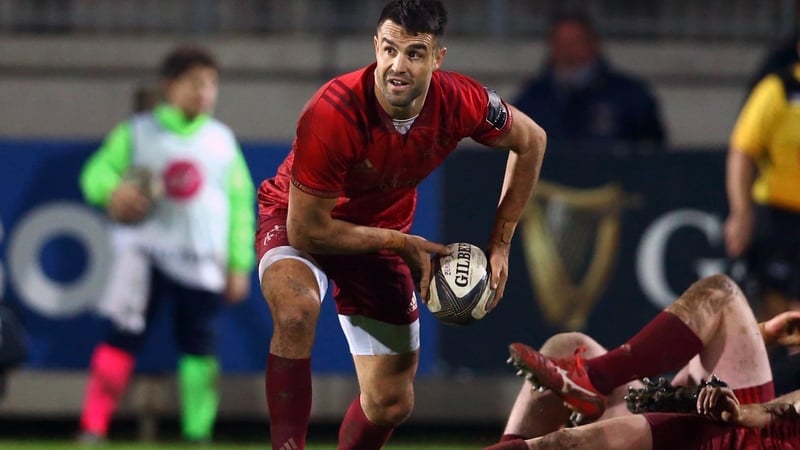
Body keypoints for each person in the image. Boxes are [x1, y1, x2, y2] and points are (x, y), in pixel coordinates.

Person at [255, 1, 547, 448]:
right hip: (301, 219)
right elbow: (307, 232)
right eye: (389, 49)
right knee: (295, 314)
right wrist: (401, 242)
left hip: (379, 237)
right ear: (376, 46)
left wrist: (501, 243)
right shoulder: (333, 111)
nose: (397, 65)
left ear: (437, 58)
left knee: (391, 402)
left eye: (414, 53)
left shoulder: (459, 100)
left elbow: (531, 141)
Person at [77, 45, 256, 444]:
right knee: (121, 340)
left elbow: (241, 206)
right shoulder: (138, 132)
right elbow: (94, 174)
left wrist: (239, 264)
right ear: (170, 86)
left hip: (202, 262)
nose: (205, 92)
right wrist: (112, 192)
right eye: (195, 82)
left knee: (200, 348)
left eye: (211, 84)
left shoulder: (222, 141)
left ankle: (198, 433)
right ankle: (92, 427)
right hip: (144, 257)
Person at [485, 273, 800, 450]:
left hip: (747, 435)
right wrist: (763, 335)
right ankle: (591, 378)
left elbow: (775, 413)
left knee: (721, 295)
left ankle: (592, 379)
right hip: (740, 425)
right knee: (567, 347)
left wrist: (743, 412)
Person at [724, 34, 800, 395]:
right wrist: (741, 213)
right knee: (776, 315)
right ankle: (757, 391)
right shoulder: (779, 90)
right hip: (780, 216)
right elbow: (743, 151)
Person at [513, 13, 666, 150]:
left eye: (576, 41)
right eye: (561, 42)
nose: (568, 50)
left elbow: (652, 150)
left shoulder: (630, 96)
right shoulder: (532, 98)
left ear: (593, 44)